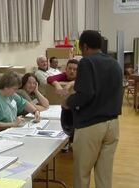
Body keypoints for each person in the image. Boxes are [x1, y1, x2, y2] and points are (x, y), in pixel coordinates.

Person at [63, 30, 123, 188]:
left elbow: (85, 94)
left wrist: (68, 102)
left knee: (82, 173)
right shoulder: (115, 63)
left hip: (91, 125)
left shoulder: (86, 62)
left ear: (85, 46)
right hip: (113, 124)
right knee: (104, 175)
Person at [47, 59, 78, 150]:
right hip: (63, 107)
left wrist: (70, 84)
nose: (72, 71)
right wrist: (56, 84)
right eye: (70, 68)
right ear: (66, 69)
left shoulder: (81, 77)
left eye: (75, 69)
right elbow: (50, 79)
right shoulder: (63, 76)